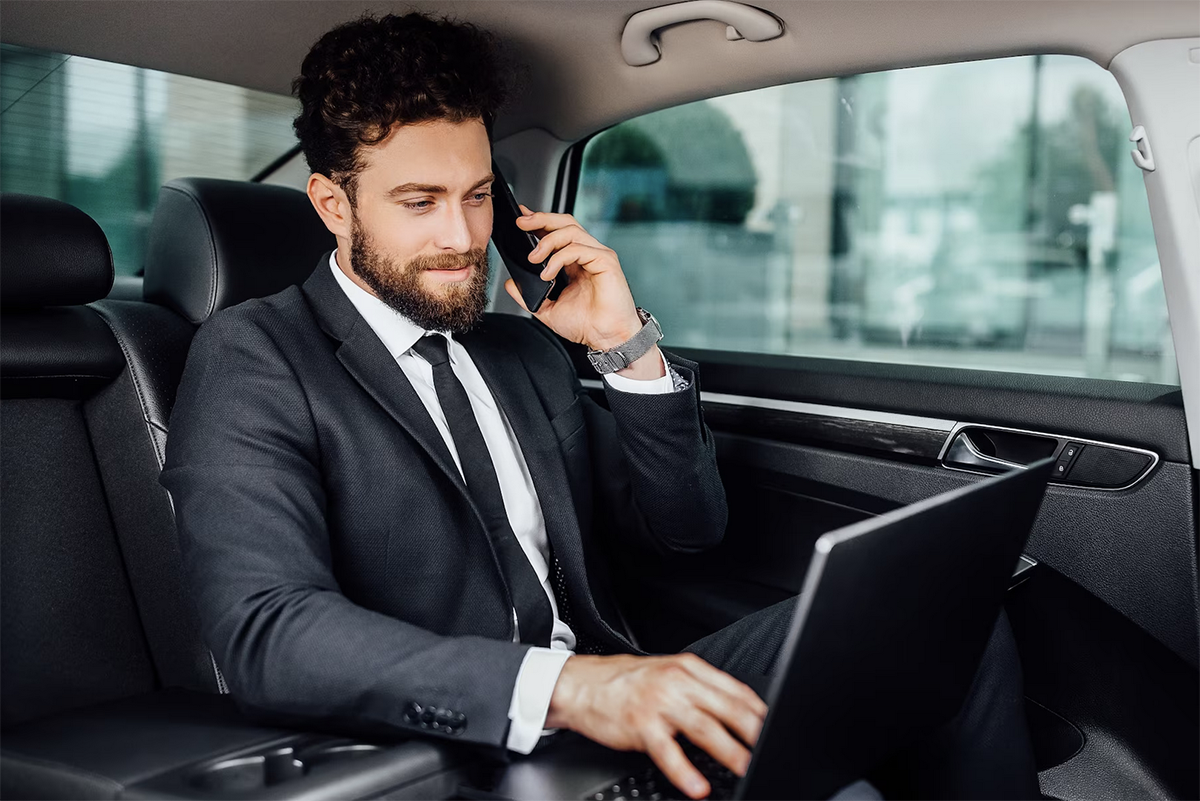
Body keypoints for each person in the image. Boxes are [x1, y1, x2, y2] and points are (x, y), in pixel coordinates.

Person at [161, 12, 1041, 801]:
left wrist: (625, 347)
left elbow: (687, 530)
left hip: (612, 694)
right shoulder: (256, 355)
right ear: (332, 204)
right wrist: (577, 688)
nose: (462, 239)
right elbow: (266, 630)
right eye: (419, 203)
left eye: (477, 197)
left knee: (950, 621)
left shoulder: (520, 352)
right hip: (453, 746)